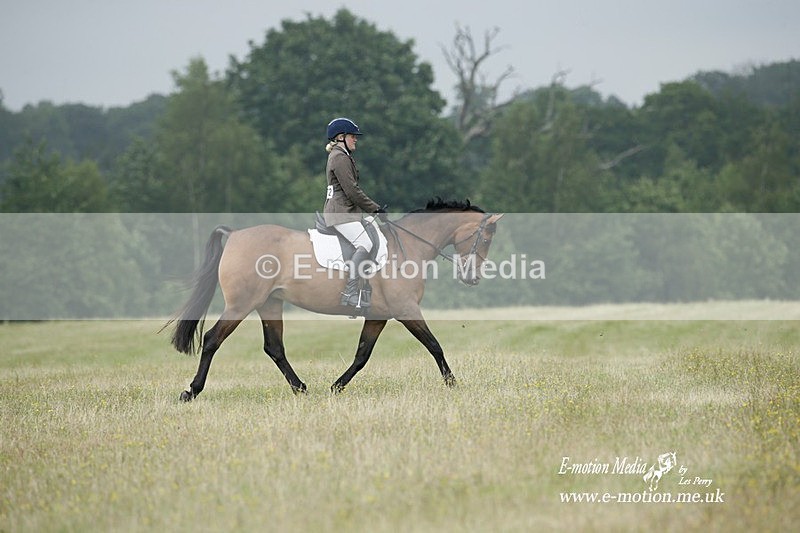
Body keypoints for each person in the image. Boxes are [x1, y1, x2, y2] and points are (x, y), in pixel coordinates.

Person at [322, 117, 386, 308]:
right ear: (341, 137)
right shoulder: (340, 158)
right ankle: (350, 293)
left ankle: (364, 289)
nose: (355, 139)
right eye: (352, 136)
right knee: (364, 243)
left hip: (346, 211)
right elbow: (352, 191)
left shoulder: (340, 155)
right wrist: (374, 208)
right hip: (341, 213)